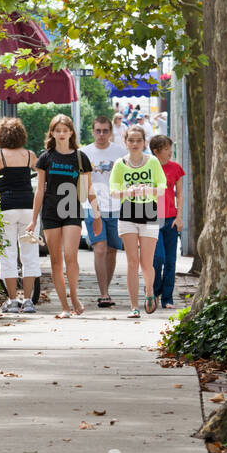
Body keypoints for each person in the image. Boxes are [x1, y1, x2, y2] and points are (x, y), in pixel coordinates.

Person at [26, 114, 99, 318]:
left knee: (70, 256)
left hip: (72, 211)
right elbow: (39, 190)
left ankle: (74, 297)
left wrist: (97, 213)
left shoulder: (80, 157)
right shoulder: (45, 158)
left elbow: (89, 187)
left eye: (64, 130)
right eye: (57, 130)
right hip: (50, 212)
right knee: (56, 260)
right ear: (52, 132)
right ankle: (64, 306)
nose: (61, 134)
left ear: (71, 132)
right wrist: (33, 220)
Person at [109, 124, 168, 318]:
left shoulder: (152, 162)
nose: (135, 144)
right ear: (125, 142)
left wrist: (147, 190)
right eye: (131, 140)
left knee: (146, 263)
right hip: (128, 213)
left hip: (149, 212)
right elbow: (113, 192)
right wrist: (129, 192)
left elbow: (162, 188)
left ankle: (149, 291)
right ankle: (134, 306)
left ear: (144, 143)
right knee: (132, 262)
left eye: (138, 140)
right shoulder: (119, 164)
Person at [0, 118, 41, 316]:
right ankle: (28, 301)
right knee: (29, 254)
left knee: (8, 254)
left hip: (6, 208)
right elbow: (41, 175)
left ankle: (12, 301)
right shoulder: (30, 155)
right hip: (28, 208)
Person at [83, 116, 125, 308]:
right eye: (98, 130)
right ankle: (104, 293)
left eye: (105, 131)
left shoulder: (120, 153)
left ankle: (105, 290)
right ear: (92, 131)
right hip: (93, 206)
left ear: (110, 132)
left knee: (111, 250)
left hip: (116, 207)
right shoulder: (84, 153)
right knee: (99, 248)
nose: (101, 134)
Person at [150, 134, 184, 309]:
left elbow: (179, 194)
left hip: (171, 220)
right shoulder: (148, 167)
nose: (170, 151)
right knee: (158, 259)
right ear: (156, 152)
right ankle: (155, 292)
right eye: (166, 149)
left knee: (171, 261)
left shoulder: (176, 168)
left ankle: (167, 298)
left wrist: (179, 217)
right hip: (153, 220)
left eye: (170, 148)